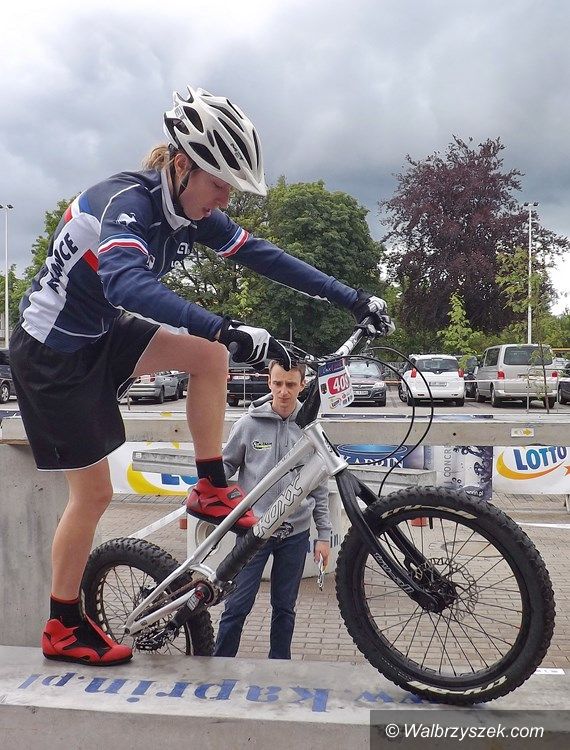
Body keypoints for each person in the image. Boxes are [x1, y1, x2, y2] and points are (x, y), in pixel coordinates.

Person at [9, 84, 393, 666]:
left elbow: (265, 256)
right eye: (221, 184)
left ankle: (212, 485)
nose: (226, 199)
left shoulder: (192, 210)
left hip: (100, 331)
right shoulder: (126, 203)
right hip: (51, 352)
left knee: (209, 358)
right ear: (183, 166)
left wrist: (353, 298)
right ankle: (62, 626)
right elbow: (125, 283)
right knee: (94, 494)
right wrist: (224, 326)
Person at [213, 360, 331, 660]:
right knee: (237, 606)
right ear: (269, 383)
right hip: (254, 531)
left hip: (295, 533)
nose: (283, 391)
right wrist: (208, 490)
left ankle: (280, 668)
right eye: (277, 383)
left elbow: (318, 485)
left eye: (290, 385)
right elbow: (225, 467)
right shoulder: (248, 424)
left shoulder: (310, 429)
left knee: (284, 608)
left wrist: (324, 535)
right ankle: (220, 664)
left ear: (302, 385)